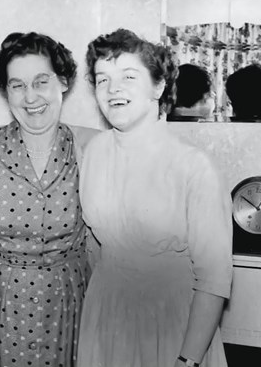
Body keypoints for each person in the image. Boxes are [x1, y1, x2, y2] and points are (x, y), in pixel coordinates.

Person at [77, 28, 233, 367]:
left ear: (158, 86)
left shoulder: (194, 166)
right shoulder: (94, 152)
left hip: (170, 323)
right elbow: (93, 245)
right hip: (106, 317)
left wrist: (187, 359)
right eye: (102, 80)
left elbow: (214, 279)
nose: (113, 89)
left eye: (128, 77)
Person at [0, 32, 99, 366]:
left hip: (69, 305)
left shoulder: (92, 148)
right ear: (6, 92)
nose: (30, 96)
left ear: (63, 82)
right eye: (17, 85)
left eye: (41, 81)